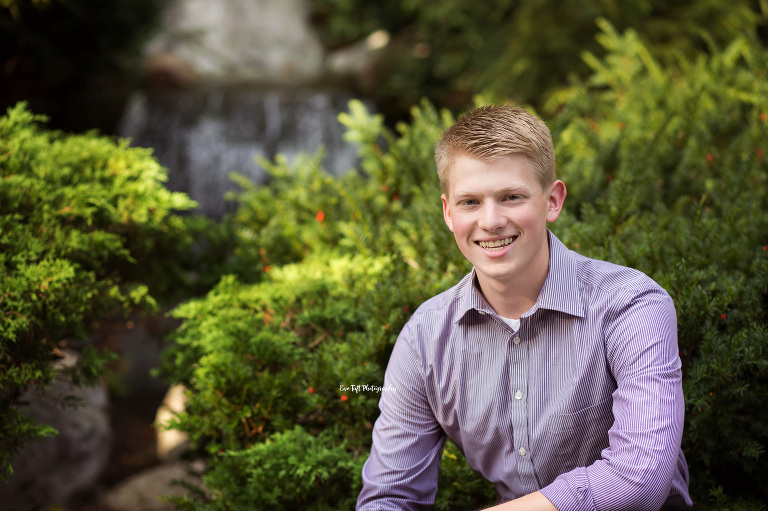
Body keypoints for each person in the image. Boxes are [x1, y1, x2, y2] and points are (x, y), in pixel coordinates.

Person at [356, 105, 692, 511]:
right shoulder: (425, 339)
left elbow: (638, 481)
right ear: (448, 213)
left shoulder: (631, 306)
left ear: (552, 201)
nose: (491, 220)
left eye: (511, 197)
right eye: (470, 202)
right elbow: (390, 497)